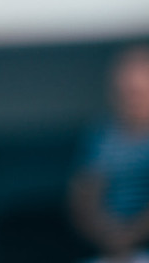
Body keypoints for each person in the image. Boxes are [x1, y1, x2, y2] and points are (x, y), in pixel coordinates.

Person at [71, 45, 149, 263]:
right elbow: (84, 195)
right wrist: (110, 235)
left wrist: (131, 235)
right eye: (125, 91)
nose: (130, 98)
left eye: (138, 92)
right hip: (110, 250)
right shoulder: (101, 136)